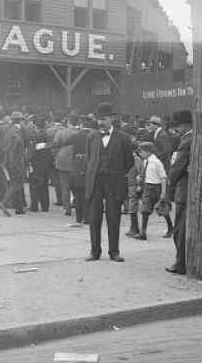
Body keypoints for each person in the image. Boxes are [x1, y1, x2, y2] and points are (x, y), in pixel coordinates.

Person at [84, 103, 134, 262]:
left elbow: (129, 162)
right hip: (96, 182)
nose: (100, 122)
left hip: (114, 182)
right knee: (94, 218)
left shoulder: (123, 138)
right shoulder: (91, 136)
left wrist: (116, 172)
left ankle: (114, 252)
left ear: (112, 118)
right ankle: (94, 251)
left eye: (104, 119)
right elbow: (88, 158)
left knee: (114, 217)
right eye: (98, 119)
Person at [166, 110, 193, 275]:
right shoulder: (193, 137)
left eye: (177, 127)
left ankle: (181, 262)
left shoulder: (187, 141)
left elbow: (177, 167)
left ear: (185, 125)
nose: (176, 130)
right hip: (189, 187)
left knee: (180, 228)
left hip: (184, 188)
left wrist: (169, 184)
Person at [133, 141, 168, 241]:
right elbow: (144, 174)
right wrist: (140, 179)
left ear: (148, 152)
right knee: (145, 210)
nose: (140, 154)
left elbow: (163, 178)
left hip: (157, 187)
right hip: (148, 188)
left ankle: (170, 227)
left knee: (162, 209)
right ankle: (143, 233)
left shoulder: (156, 162)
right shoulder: (145, 162)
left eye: (142, 152)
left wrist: (163, 193)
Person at [0, 111, 27, 216]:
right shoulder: (20, 130)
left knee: (15, 183)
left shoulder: (7, 129)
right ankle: (4, 202)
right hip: (17, 161)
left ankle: (19, 208)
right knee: (17, 183)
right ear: (20, 120)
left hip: (7, 161)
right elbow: (22, 145)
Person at [69, 116, 93, 226]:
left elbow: (64, 143)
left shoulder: (76, 135)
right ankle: (87, 217)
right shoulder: (95, 136)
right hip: (90, 165)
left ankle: (79, 217)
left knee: (78, 192)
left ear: (82, 125)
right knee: (88, 193)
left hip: (78, 165)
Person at [27, 118, 53, 212]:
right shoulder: (48, 135)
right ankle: (45, 206)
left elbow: (32, 151)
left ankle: (34, 206)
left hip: (36, 163)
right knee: (44, 185)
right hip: (46, 163)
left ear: (36, 126)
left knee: (34, 185)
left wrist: (29, 160)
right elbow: (49, 147)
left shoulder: (35, 136)